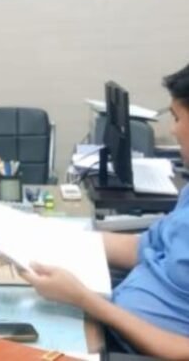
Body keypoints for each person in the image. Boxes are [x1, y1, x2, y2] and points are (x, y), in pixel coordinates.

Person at [19, 64, 189, 359]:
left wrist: (84, 300)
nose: (172, 130)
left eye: (177, 117)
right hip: (114, 323)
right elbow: (143, 247)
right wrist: (41, 233)